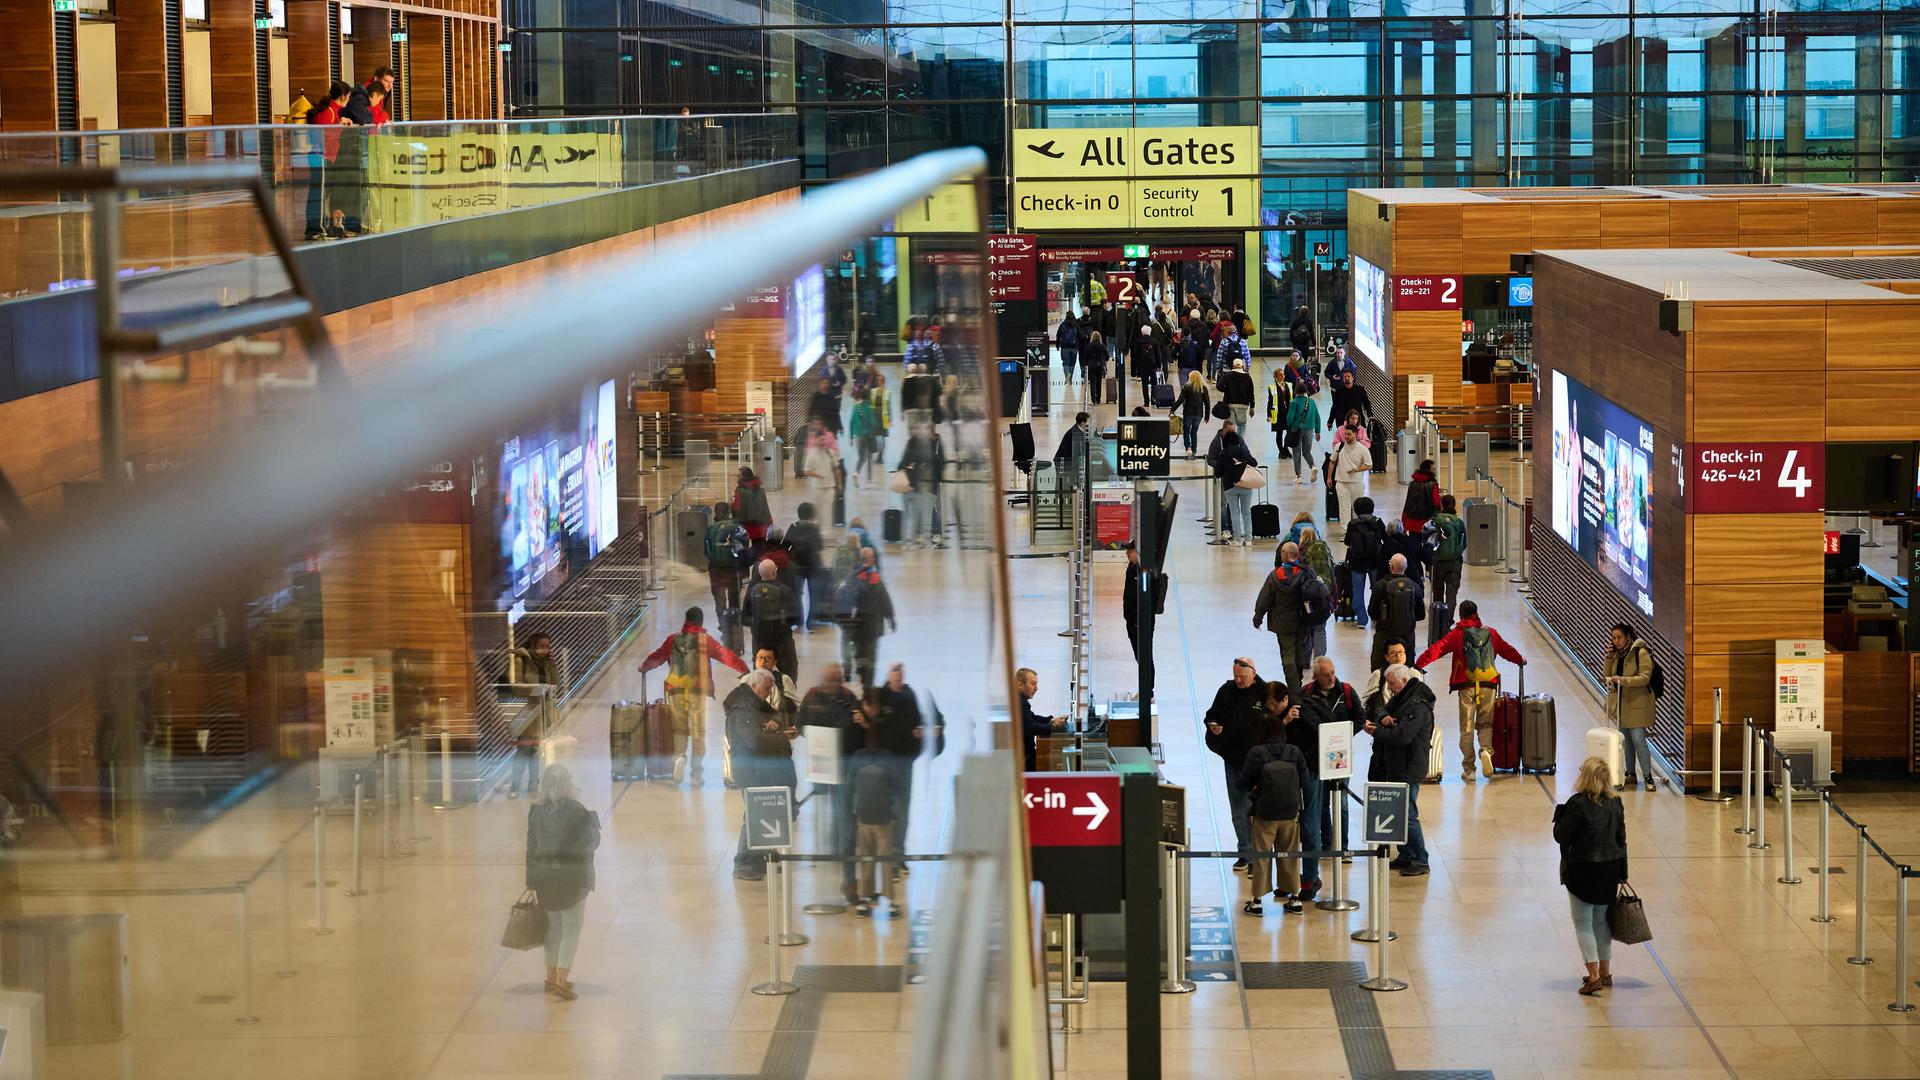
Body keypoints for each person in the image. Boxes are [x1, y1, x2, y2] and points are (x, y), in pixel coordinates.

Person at [1415, 600, 1528, 782]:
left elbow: (1437, 649)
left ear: (1460, 615)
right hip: (1488, 685)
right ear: (1477, 613)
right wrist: (1519, 659)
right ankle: (1485, 750)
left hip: (1466, 686)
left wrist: (1419, 664)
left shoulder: (1457, 634)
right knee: (1485, 724)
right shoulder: (1490, 633)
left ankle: (1469, 769)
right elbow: (1507, 650)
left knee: (1466, 728)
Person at [637, 607, 749, 785]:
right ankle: (696, 773)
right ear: (701, 622)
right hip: (698, 690)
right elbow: (725, 655)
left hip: (676, 690)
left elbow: (658, 656)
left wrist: (644, 666)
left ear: (686, 620)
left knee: (679, 728)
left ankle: (679, 757)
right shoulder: (706, 641)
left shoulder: (673, 639)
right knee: (699, 731)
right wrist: (743, 669)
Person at [1553, 756, 1628, 994]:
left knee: (1583, 923)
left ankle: (1593, 976)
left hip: (1583, 871)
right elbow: (1621, 840)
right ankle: (1605, 973)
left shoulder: (1577, 804)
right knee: (1601, 921)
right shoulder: (1616, 803)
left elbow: (1560, 836)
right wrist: (1623, 873)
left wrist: (1560, 815)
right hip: (1610, 869)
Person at [526, 764, 600, 1001]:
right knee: (571, 928)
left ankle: (549, 977)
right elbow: (590, 843)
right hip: (572, 878)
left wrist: (531, 879)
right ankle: (561, 980)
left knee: (554, 928)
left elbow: (531, 847)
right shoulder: (577, 810)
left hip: (545, 878)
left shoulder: (536, 811)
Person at [1238, 684, 1311, 915]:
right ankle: (1295, 898)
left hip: (1264, 814)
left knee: (1261, 856)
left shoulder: (1256, 753)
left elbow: (1243, 782)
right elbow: (1305, 782)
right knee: (1289, 855)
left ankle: (1258, 901)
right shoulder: (1294, 752)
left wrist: (1256, 789)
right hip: (1290, 813)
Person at [801, 664, 866, 901]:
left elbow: (861, 733)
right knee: (826, 813)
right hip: (821, 767)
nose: (832, 684)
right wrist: (814, 738)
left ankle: (848, 872)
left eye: (836, 680)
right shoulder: (811, 697)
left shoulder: (849, 698)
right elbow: (801, 724)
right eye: (829, 679)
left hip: (845, 769)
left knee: (845, 816)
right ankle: (829, 851)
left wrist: (861, 721)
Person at [1299, 656, 1364, 895]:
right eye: (1326, 674)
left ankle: (1343, 846)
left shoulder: (1346, 691)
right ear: (1315, 676)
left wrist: (1342, 734)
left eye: (1333, 672)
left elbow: (1359, 717)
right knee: (1322, 802)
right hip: (1317, 756)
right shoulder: (1305, 692)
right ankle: (1327, 844)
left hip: (1340, 754)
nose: (1331, 678)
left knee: (1342, 800)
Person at [1363, 664, 1435, 876]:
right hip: (1396, 765)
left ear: (1403, 681)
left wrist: (1378, 731)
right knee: (1400, 813)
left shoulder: (1416, 706)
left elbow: (1403, 736)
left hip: (1409, 767)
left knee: (1408, 814)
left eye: (1392, 685)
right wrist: (1384, 718)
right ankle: (1406, 854)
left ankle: (1420, 859)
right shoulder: (1403, 697)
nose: (1390, 689)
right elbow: (1382, 708)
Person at [728, 671, 797, 880]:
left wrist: (776, 724)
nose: (768, 694)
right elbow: (755, 741)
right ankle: (744, 863)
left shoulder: (755, 704)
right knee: (754, 815)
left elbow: (775, 715)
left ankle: (763, 853)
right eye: (766, 689)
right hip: (750, 772)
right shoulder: (741, 710)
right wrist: (780, 737)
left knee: (765, 812)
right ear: (754, 687)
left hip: (764, 770)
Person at [1204, 658, 1268, 871]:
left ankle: (1259, 854)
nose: (1238, 680)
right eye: (1235, 676)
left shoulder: (1265, 692)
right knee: (1237, 810)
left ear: (1253, 673)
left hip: (1257, 762)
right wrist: (1212, 725)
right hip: (1232, 759)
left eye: (1242, 676)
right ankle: (1245, 852)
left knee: (1256, 809)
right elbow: (1212, 714)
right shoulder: (1226, 691)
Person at [871, 663, 927, 884]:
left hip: (905, 763)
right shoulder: (881, 696)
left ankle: (899, 854)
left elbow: (919, 720)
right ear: (888, 676)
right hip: (885, 764)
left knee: (903, 810)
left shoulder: (909, 694)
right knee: (890, 810)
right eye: (895, 675)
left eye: (901, 675)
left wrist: (919, 732)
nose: (898, 679)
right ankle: (889, 858)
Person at [1254, 542, 1325, 691]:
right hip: (1302, 620)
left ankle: (1293, 687)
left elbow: (1264, 599)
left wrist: (1258, 617)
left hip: (1282, 623)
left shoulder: (1274, 576)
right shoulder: (1306, 572)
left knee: (1287, 655)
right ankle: (1297, 680)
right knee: (1299, 651)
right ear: (1297, 555)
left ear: (1284, 556)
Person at [847, 739, 900, 918]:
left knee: (865, 859)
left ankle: (864, 901)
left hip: (863, 816)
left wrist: (851, 811)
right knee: (886, 860)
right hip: (883, 817)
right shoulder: (888, 757)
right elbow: (897, 785)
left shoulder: (857, 757)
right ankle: (890, 903)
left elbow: (850, 786)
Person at [1604, 624, 1657, 791]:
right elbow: (1607, 676)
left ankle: (1648, 777)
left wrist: (1623, 680)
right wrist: (1609, 657)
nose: (1616, 641)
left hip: (1638, 705)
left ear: (1628, 637)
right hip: (1622, 705)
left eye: (1619, 637)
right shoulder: (1617, 656)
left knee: (1639, 740)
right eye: (1613, 638)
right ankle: (1630, 774)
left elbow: (1645, 678)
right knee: (1626, 742)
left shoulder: (1640, 653)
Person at [506, 633, 559, 798]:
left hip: (542, 711)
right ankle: (515, 785)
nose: (544, 650)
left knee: (536, 750)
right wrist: (535, 689)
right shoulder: (520, 660)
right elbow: (514, 685)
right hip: (527, 709)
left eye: (547, 647)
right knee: (523, 749)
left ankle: (533, 783)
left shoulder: (546, 662)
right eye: (541, 646)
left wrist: (552, 664)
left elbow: (555, 683)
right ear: (532, 645)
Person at [843, 548, 895, 690]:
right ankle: (868, 683)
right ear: (871, 560)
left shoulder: (853, 576)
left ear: (860, 559)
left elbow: (845, 597)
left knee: (859, 653)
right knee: (871, 655)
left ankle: (861, 672)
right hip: (874, 624)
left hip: (858, 624)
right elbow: (885, 600)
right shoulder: (876, 578)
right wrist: (891, 619)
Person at [741, 558, 801, 680]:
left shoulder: (752, 592)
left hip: (759, 642)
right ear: (775, 572)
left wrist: (756, 622)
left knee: (759, 678)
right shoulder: (785, 590)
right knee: (789, 674)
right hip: (782, 642)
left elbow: (744, 618)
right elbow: (795, 617)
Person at [1368, 553, 1424, 672]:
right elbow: (1421, 615)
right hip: (1407, 639)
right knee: (1405, 674)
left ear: (1391, 566)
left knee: (1380, 673)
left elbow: (1372, 612)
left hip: (1384, 637)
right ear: (1406, 567)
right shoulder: (1414, 587)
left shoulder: (1380, 586)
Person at [1208, 419, 1258, 547]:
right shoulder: (1242, 450)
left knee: (1234, 512)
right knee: (1246, 512)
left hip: (1230, 485)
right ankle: (1248, 539)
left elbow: (1218, 472)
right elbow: (1254, 462)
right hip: (1245, 484)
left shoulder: (1223, 453)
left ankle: (1236, 539)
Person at [898, 422, 946, 548]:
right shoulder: (920, 447)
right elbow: (903, 464)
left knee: (923, 514)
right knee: (920, 515)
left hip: (923, 486)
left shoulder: (934, 445)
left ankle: (925, 538)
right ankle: (920, 539)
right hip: (918, 486)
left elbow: (940, 464)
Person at [1344, 497, 1386, 626]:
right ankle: (1376, 615)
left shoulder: (1353, 524)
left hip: (1356, 561)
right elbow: (1386, 538)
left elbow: (1347, 542)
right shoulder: (1378, 522)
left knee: (1357, 590)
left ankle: (1362, 619)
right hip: (1375, 561)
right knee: (1377, 589)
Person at [1123, 542, 1165, 664]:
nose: (1127, 554)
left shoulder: (1146, 572)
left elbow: (1151, 598)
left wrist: (1137, 619)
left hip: (1140, 622)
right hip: (1132, 621)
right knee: (1140, 657)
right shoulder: (1132, 568)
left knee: (1145, 659)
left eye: (1130, 551)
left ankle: (1148, 682)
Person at [1017, 667, 1067, 770]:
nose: (1036, 688)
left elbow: (1033, 717)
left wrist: (1051, 720)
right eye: (1032, 683)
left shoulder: (1021, 701)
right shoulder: (1020, 703)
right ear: (1020, 685)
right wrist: (1053, 725)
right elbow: (1030, 728)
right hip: (1025, 761)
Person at [705, 503, 748, 618]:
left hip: (716, 570)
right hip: (734, 569)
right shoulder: (737, 527)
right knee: (734, 598)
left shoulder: (711, 529)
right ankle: (734, 626)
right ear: (728, 512)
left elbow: (706, 551)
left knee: (719, 600)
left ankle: (723, 626)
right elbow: (745, 549)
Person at [1425, 494, 1467, 611]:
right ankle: (1448, 620)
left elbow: (1427, 542)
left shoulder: (1434, 520)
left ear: (1441, 505)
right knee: (1451, 594)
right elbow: (1463, 544)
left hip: (1437, 562)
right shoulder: (1459, 523)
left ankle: (1439, 621)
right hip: (1454, 563)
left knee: (1437, 594)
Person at [1330, 425, 1372, 534]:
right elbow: (1332, 462)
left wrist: (1357, 469)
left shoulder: (1363, 449)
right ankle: (1345, 532)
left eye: (1349, 434)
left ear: (1355, 434)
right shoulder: (1339, 446)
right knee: (1344, 509)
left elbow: (1369, 465)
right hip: (1341, 482)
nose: (1346, 436)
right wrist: (1329, 477)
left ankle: (1357, 530)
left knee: (1356, 508)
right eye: (1345, 434)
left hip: (1356, 483)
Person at [1163, 369, 1209, 460]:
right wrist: (1207, 416)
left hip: (1188, 413)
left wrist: (1172, 410)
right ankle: (1194, 450)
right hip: (1199, 414)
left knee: (1186, 430)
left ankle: (1188, 448)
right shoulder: (1203, 388)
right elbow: (1207, 403)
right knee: (1194, 431)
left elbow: (1180, 400)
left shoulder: (1187, 387)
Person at [1285, 382, 1321, 483]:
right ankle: (1313, 467)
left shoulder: (1294, 402)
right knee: (1307, 452)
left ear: (1296, 391)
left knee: (1296, 453)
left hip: (1297, 430)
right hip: (1310, 429)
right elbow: (1317, 417)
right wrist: (1318, 431)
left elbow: (1289, 418)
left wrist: (1289, 426)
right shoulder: (1311, 402)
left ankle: (1299, 476)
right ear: (1306, 391)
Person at [848, 391, 881, 487]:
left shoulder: (855, 407)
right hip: (868, 436)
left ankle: (856, 472)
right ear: (868, 397)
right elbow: (874, 423)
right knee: (870, 458)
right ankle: (869, 482)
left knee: (861, 458)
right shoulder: (870, 408)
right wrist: (873, 433)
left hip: (858, 436)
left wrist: (850, 437)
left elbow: (851, 422)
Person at [1329, 371, 1374, 439]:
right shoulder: (1339, 391)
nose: (1347, 378)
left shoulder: (1360, 390)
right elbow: (1335, 406)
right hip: (1342, 421)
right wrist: (1330, 421)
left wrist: (1370, 415)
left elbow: (1366, 403)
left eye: (1348, 376)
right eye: (1345, 377)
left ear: (1353, 378)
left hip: (1357, 420)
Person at [1264, 360, 1294, 460]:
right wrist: (1269, 415)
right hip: (1278, 413)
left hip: (1288, 413)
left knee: (1290, 432)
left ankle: (1285, 449)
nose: (1283, 376)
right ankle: (1281, 451)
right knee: (1279, 433)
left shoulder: (1289, 385)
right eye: (1281, 375)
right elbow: (1270, 402)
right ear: (1276, 376)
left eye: (1283, 374)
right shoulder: (1272, 388)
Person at [1403, 459, 1441, 535]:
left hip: (1412, 523)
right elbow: (1437, 503)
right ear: (1428, 470)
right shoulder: (1432, 484)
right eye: (1433, 469)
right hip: (1427, 523)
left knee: (1415, 545)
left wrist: (1404, 521)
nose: (1435, 471)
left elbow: (1408, 503)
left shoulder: (1412, 484)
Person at [1218, 357, 1256, 431]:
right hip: (1243, 405)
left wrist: (1226, 390)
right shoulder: (1247, 377)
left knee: (1229, 426)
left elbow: (1219, 386)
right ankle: (1240, 441)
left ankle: (1230, 440)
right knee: (1241, 426)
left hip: (1229, 404)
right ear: (1242, 366)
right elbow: (1251, 393)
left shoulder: (1227, 375)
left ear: (1233, 366)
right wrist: (1252, 407)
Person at [1132, 323, 1165, 404]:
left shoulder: (1138, 342)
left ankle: (1146, 400)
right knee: (1154, 382)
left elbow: (1135, 356)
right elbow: (1158, 354)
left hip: (1142, 365)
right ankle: (1153, 399)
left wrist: (1135, 368)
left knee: (1144, 383)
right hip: (1152, 365)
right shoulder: (1154, 341)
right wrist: (1159, 364)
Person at [1083, 331, 1110, 405]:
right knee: (1099, 382)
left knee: (1092, 383)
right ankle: (1098, 398)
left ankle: (1093, 399)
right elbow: (1107, 357)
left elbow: (1085, 357)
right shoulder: (1102, 346)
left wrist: (1085, 365)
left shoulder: (1089, 346)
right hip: (1099, 366)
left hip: (1091, 366)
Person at [1056, 315, 1082, 388]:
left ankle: (1066, 376)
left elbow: (1058, 335)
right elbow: (1080, 335)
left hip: (1064, 347)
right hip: (1074, 347)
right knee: (1072, 363)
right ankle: (1070, 376)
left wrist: (1057, 345)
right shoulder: (1076, 325)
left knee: (1065, 363)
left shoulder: (1062, 325)